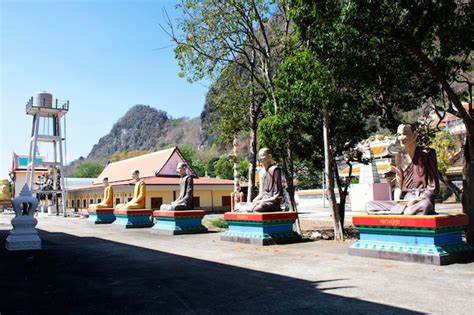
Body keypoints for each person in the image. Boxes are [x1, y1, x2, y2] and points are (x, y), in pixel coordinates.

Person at [366, 123, 439, 215]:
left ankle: (397, 212)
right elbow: (398, 185)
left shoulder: (427, 153)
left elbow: (433, 187)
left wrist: (417, 200)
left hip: (421, 200)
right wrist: (397, 199)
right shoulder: (399, 157)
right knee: (370, 205)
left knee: (425, 206)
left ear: (415, 135)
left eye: (405, 133)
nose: (401, 137)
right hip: (406, 201)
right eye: (399, 134)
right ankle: (401, 211)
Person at [235, 148, 284, 213]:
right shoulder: (261, 172)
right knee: (238, 205)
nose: (260, 158)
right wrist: (254, 201)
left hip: (272, 203)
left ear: (269, 157)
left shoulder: (275, 170)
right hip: (262, 201)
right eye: (259, 156)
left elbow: (277, 196)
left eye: (263, 156)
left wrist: (261, 201)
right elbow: (261, 193)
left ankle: (253, 209)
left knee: (259, 207)